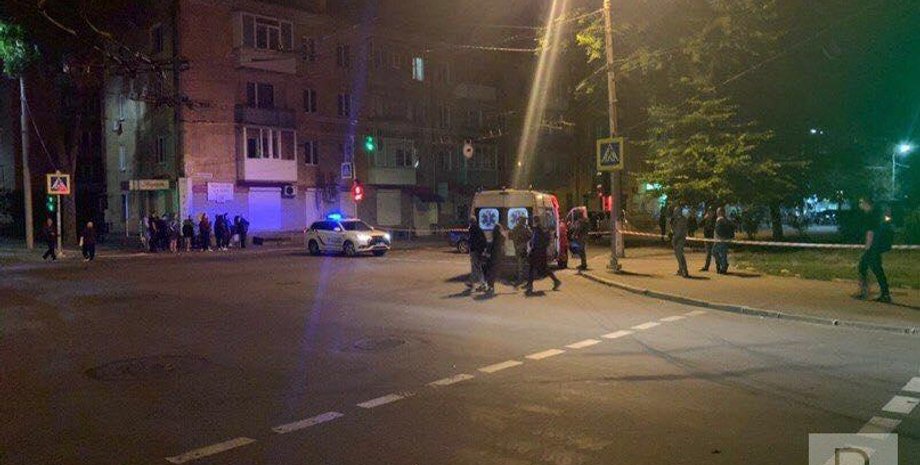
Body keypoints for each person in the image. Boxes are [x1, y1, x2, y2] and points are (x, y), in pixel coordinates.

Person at [855, 199, 892, 303]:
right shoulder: (876, 213)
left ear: (866, 203)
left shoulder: (870, 215)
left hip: (873, 247)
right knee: (874, 268)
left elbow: (870, 232)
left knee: (865, 266)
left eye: (861, 202)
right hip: (877, 246)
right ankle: (883, 293)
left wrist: (867, 248)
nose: (860, 205)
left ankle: (866, 292)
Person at [526, 216, 561, 293]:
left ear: (535, 221)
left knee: (533, 268)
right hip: (540, 252)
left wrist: (532, 248)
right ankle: (555, 281)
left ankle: (529, 286)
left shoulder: (538, 229)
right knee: (541, 268)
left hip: (538, 252)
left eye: (534, 221)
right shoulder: (539, 229)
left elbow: (536, 241)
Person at [509, 216, 533, 286]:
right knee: (522, 265)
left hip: (519, 248)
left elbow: (510, 236)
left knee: (520, 265)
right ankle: (523, 279)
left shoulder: (516, 228)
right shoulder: (525, 229)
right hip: (522, 248)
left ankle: (520, 280)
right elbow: (531, 235)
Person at [466, 216, 488, 291]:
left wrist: (470, 246)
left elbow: (471, 240)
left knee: (476, 267)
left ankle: (483, 284)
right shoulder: (479, 229)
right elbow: (484, 240)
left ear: (471, 222)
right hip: (479, 251)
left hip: (474, 251)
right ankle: (471, 281)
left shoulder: (472, 229)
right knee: (475, 266)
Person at [483, 223, 506, 294]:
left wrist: (487, 253)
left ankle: (490, 286)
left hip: (492, 256)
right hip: (498, 256)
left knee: (490, 271)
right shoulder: (501, 237)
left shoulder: (493, 235)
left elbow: (490, 245)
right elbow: (503, 243)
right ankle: (491, 286)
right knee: (494, 271)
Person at [713, 207, 734, 274]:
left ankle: (723, 267)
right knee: (716, 253)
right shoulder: (719, 219)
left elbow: (727, 230)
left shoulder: (724, 220)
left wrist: (727, 237)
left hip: (723, 240)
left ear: (722, 212)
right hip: (717, 240)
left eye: (718, 211)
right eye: (717, 211)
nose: (717, 213)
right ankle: (723, 265)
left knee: (722, 254)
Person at [671, 206, 689, 278]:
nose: (674, 213)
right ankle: (680, 270)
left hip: (680, 239)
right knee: (678, 255)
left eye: (676, 211)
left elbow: (680, 231)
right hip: (676, 238)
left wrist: (675, 239)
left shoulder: (682, 220)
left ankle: (684, 271)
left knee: (680, 255)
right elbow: (674, 229)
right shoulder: (676, 219)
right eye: (674, 211)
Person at [700, 207, 716, 272]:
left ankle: (719, 267)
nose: (709, 213)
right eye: (708, 211)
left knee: (715, 253)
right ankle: (706, 267)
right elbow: (699, 225)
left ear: (713, 213)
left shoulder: (715, 220)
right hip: (707, 238)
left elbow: (713, 228)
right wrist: (704, 219)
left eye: (711, 211)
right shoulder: (706, 220)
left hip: (713, 238)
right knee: (708, 253)